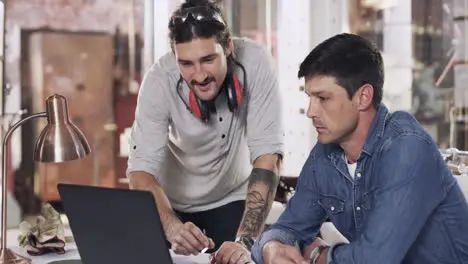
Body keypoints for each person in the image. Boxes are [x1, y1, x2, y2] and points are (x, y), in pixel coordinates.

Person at [251, 33, 468, 264]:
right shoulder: (325, 156)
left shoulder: (407, 146)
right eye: (309, 97)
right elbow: (288, 228)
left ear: (363, 97)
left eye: (323, 98)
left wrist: (318, 255)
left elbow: (375, 259)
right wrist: (272, 247)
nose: (311, 111)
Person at [126, 0, 283, 263]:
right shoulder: (159, 80)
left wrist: (245, 241)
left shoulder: (256, 61)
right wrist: (172, 226)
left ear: (228, 47)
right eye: (186, 63)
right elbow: (140, 172)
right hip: (172, 206)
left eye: (208, 59)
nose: (199, 75)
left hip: (232, 199)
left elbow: (268, 158)